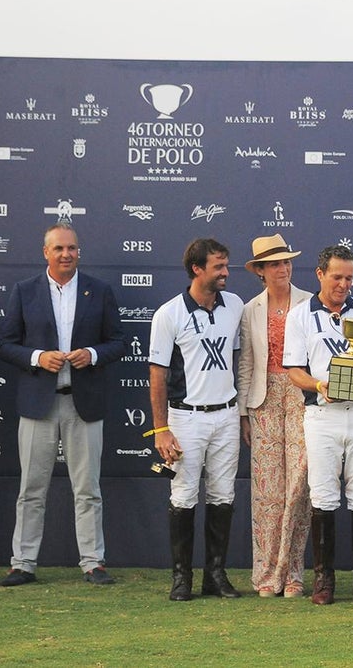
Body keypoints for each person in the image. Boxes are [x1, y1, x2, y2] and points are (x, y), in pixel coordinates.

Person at [0, 224, 127, 586]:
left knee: (87, 489)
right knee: (31, 489)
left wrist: (93, 354)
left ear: (78, 252)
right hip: (38, 403)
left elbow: (119, 342)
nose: (66, 254)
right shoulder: (25, 292)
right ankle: (22, 563)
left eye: (72, 248)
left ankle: (93, 562)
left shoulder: (99, 291)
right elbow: (6, 344)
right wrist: (38, 357)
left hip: (82, 404)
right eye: (59, 249)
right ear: (46, 252)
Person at [282, 245, 353, 604]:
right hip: (322, 415)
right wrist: (319, 384)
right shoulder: (300, 316)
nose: (344, 284)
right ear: (319, 274)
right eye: (337, 276)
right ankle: (323, 581)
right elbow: (294, 370)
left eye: (348, 277)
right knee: (323, 496)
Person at [149, 238, 244, 601]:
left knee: (223, 495)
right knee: (184, 495)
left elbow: (235, 358)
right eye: (218, 267)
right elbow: (157, 376)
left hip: (227, 414)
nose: (226, 273)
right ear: (197, 269)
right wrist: (161, 429)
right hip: (186, 418)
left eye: (226, 265)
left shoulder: (233, 305)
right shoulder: (168, 314)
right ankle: (181, 577)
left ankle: (215, 575)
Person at [237, 234, 311, 598]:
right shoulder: (250, 309)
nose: (283, 268)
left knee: (298, 488)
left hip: (300, 397)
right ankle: (266, 576)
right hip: (262, 401)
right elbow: (247, 362)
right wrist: (243, 414)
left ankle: (293, 573)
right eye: (275, 264)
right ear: (261, 271)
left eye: (286, 262)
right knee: (267, 493)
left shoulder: (310, 303)